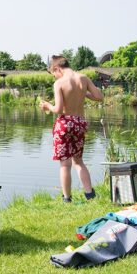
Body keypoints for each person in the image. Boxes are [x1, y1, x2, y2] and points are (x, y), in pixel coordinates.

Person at [39, 56, 103, 202]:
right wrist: (83, 92)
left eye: (53, 73)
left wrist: (47, 106)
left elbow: (58, 109)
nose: (54, 76)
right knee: (79, 161)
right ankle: (90, 195)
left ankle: (67, 198)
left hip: (65, 124)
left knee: (65, 164)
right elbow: (99, 96)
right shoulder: (84, 78)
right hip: (80, 123)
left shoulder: (59, 83)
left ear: (57, 68)